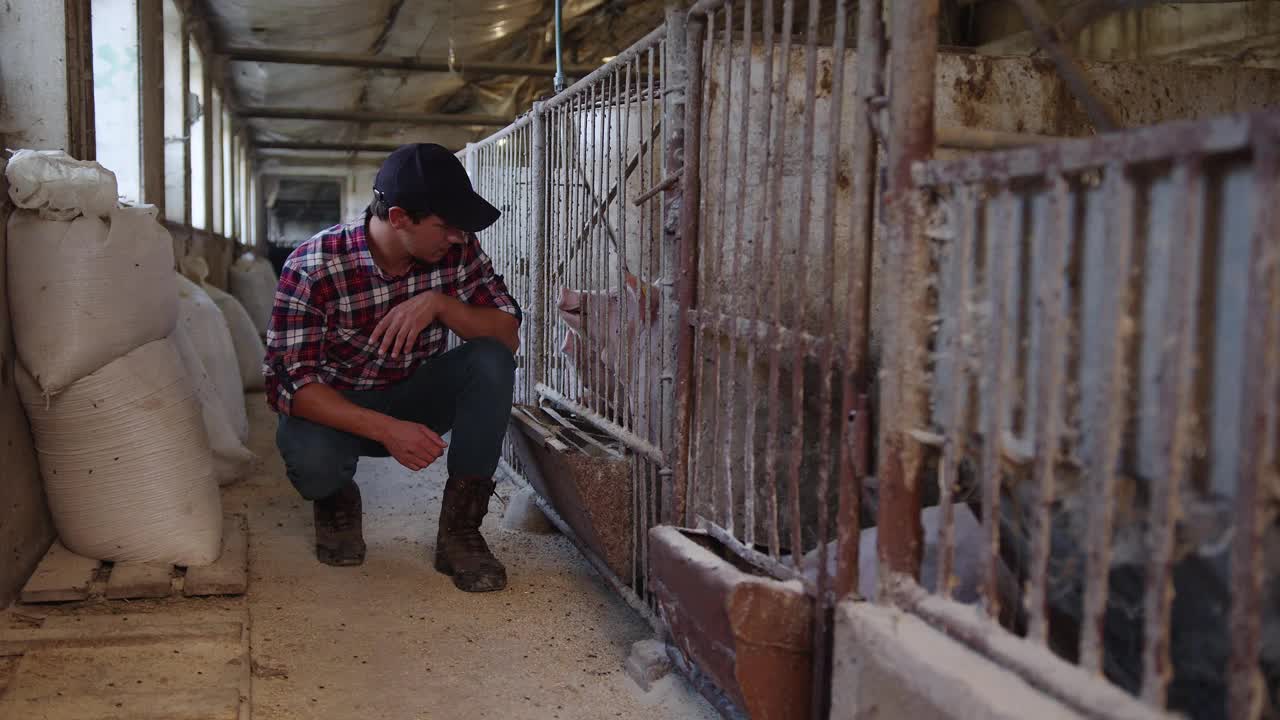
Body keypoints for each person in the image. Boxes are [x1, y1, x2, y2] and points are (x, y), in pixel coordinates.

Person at [263, 143, 521, 593]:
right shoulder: (313, 266)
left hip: (415, 391)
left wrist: (440, 305)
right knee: (313, 460)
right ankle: (335, 496)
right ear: (399, 217)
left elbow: (506, 333)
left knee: (491, 359)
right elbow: (290, 386)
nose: (458, 237)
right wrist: (386, 429)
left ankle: (460, 531)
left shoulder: (457, 253)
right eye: (446, 226)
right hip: (338, 407)